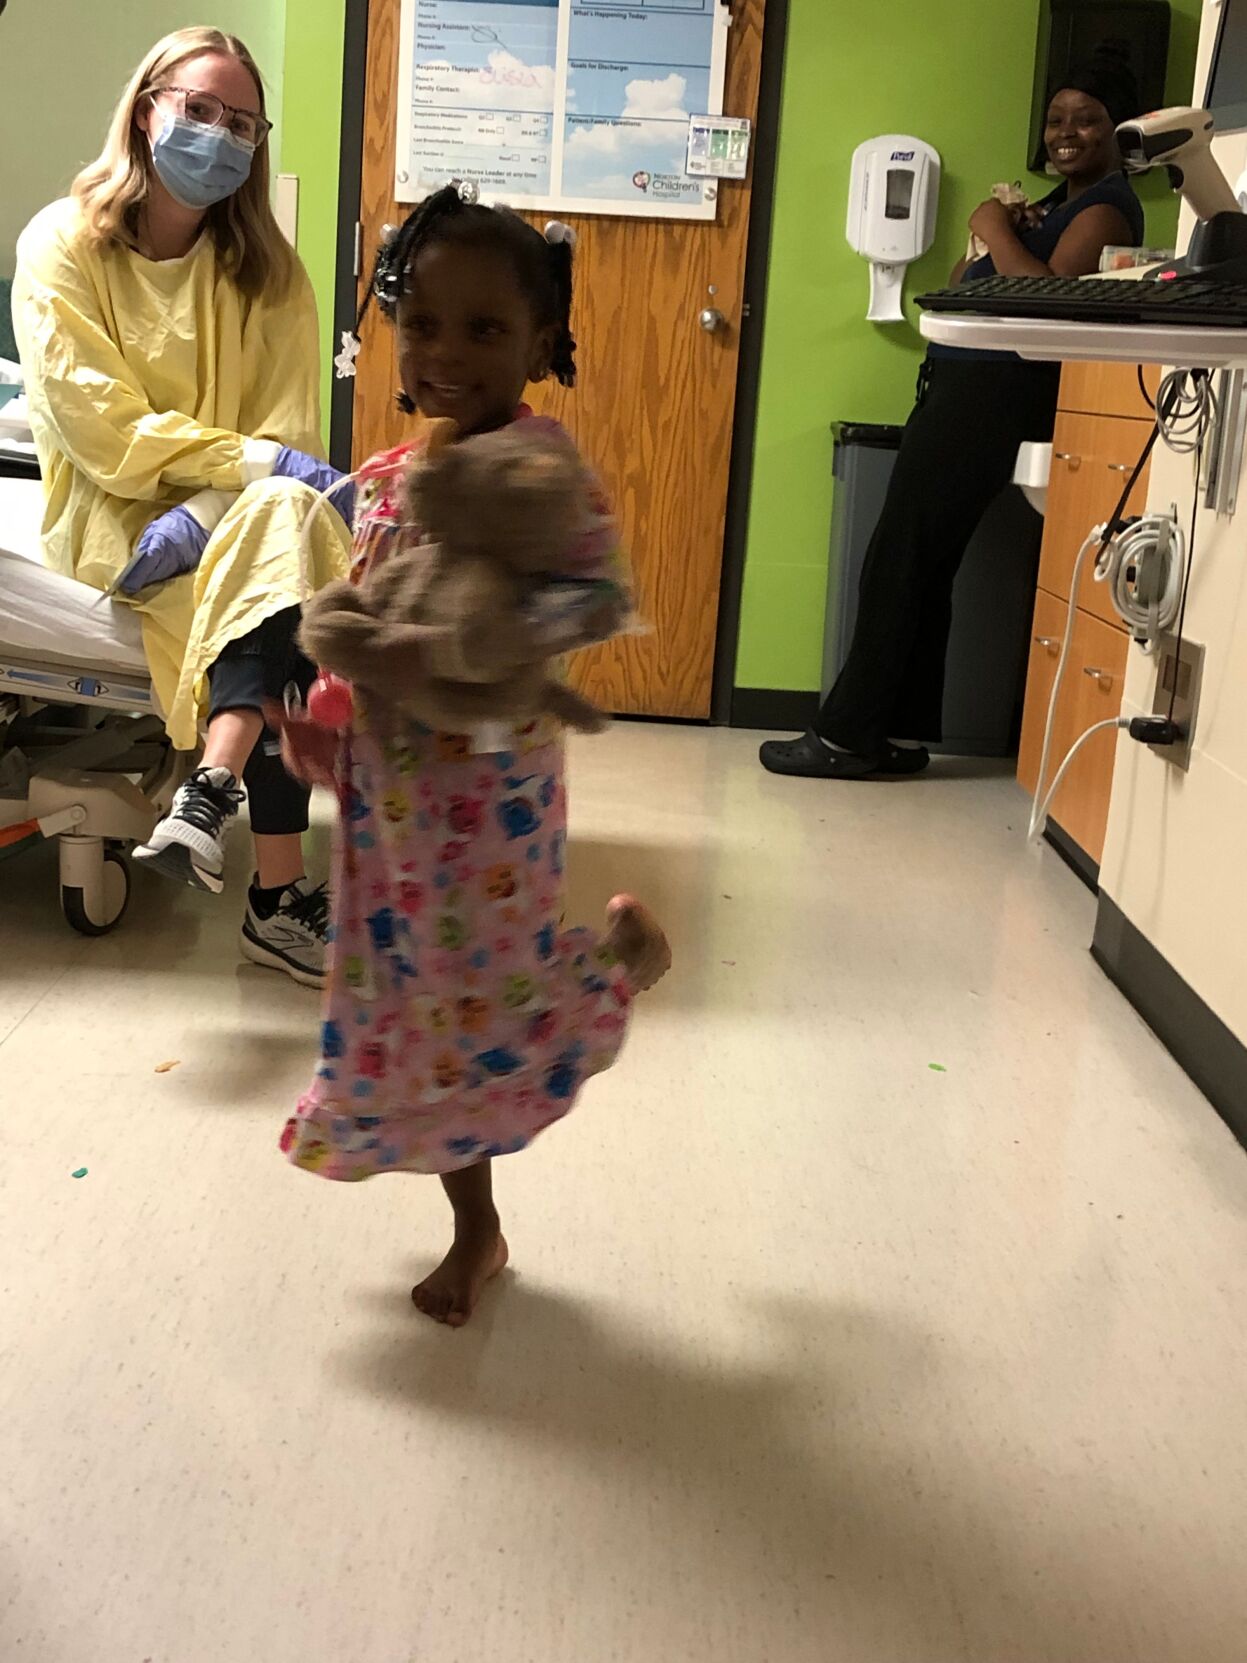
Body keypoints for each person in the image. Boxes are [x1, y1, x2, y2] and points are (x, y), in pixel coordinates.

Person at [274, 186, 670, 1327]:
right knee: (410, 1013)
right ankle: (477, 1230)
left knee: (482, 1011)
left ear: (539, 343)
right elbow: (371, 607)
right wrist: (330, 725)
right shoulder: (396, 473)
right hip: (389, 806)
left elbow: (601, 598)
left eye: (485, 329)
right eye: (425, 322)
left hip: (489, 799)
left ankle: (610, 971)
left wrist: (488, 640)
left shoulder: (541, 475)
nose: (447, 352)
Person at [12, 28, 351, 985]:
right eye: (198, 110)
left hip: (232, 520)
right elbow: (104, 433)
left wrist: (209, 506)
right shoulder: (62, 245)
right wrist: (243, 474)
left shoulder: (271, 276)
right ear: (147, 106)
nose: (218, 135)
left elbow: (292, 440)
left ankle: (210, 788)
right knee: (292, 557)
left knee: (290, 543)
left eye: (240, 123)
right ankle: (276, 902)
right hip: (120, 528)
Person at [761, 49, 1144, 781]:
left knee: (900, 562)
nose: (1065, 131)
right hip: (966, 393)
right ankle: (879, 731)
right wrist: (992, 238)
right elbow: (968, 286)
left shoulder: (1105, 205)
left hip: (990, 402)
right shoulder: (1062, 206)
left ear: (1114, 131)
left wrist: (993, 226)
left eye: (1085, 120)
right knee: (915, 565)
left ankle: (844, 737)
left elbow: (1048, 305)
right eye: (1057, 118)